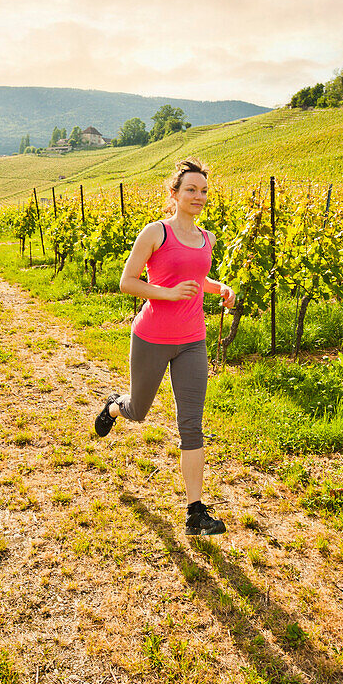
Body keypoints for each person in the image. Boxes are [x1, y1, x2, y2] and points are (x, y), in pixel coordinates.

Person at [94, 158, 235, 536]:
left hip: (192, 341)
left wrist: (219, 287)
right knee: (138, 411)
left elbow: (195, 276)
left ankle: (195, 513)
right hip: (152, 337)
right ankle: (112, 406)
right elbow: (128, 282)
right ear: (173, 194)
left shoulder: (208, 238)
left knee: (191, 425)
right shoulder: (156, 232)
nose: (198, 196)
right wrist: (168, 293)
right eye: (190, 189)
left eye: (203, 190)